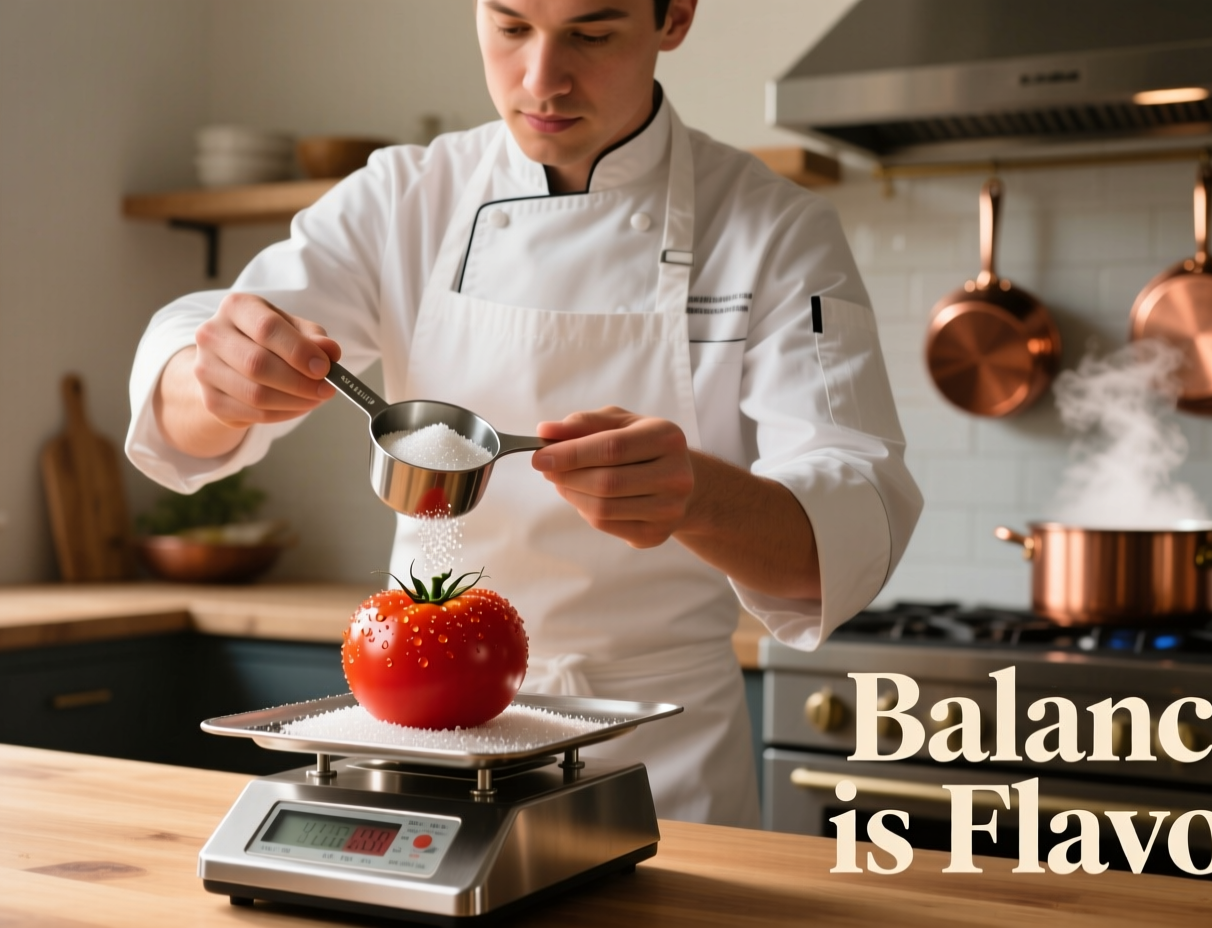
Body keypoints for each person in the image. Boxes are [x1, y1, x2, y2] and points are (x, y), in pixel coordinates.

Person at [126, 0, 921, 828]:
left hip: (660, 763)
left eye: (592, 32)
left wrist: (699, 497)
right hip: (425, 722)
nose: (541, 78)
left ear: (675, 17)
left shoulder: (776, 231)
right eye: (510, 26)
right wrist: (217, 380)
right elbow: (187, 383)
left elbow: (849, 526)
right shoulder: (408, 198)